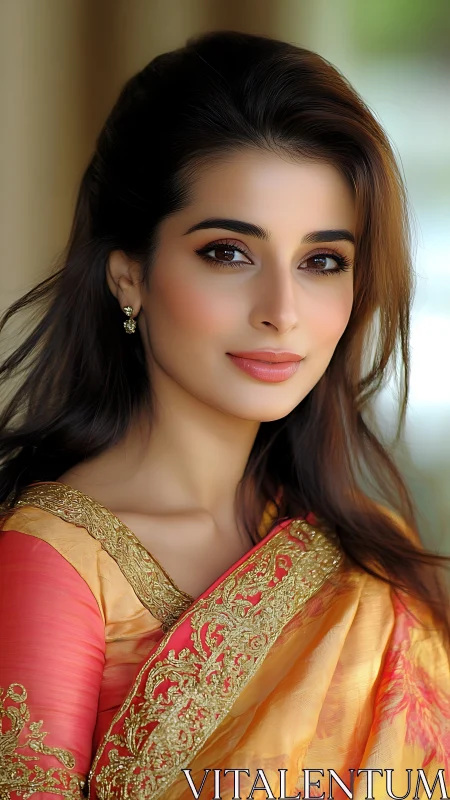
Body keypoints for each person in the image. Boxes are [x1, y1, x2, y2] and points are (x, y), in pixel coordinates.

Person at [0, 29, 449, 800]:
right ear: (128, 276)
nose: (282, 312)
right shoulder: (51, 565)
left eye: (322, 262)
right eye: (228, 253)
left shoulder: (364, 550)